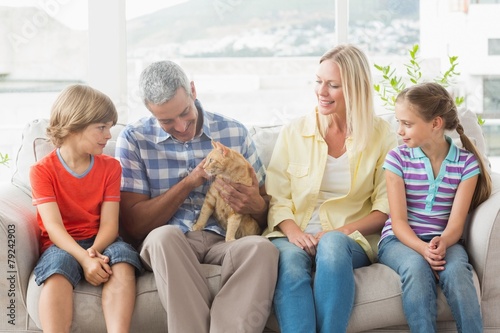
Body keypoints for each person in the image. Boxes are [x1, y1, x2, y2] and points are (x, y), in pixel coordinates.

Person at [116, 60, 279, 333]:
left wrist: (257, 205)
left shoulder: (233, 132)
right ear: (149, 110)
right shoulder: (134, 140)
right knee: (163, 237)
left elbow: (265, 212)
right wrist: (190, 182)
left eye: (184, 113)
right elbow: (134, 226)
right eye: (167, 121)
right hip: (170, 241)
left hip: (223, 240)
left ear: (192, 90)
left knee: (262, 248)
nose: (181, 126)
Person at [263, 44, 398, 333]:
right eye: (318, 81)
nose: (321, 92)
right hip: (294, 233)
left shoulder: (381, 136)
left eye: (333, 85)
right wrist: (294, 233)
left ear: (355, 89)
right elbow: (277, 197)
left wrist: (339, 232)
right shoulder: (294, 132)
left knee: (332, 245)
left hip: (350, 239)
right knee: (288, 261)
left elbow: (385, 207)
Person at [377, 82, 492, 332]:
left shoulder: (466, 165)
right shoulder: (397, 159)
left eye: (407, 124)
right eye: (399, 122)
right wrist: (422, 249)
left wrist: (442, 243)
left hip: (445, 240)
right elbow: (398, 222)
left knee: (458, 273)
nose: (400, 131)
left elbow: (456, 224)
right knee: (417, 268)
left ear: (436, 123)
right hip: (399, 240)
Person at [30, 84, 142, 333]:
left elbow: (110, 225)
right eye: (101, 128)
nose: (108, 136)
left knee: (123, 261)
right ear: (74, 125)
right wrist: (83, 259)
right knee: (57, 270)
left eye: (110, 127)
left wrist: (93, 253)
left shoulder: (111, 167)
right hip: (61, 244)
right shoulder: (42, 171)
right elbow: (54, 227)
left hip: (102, 241)